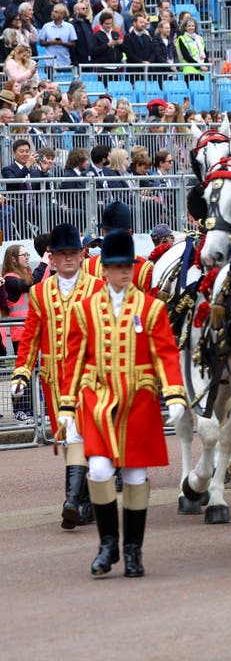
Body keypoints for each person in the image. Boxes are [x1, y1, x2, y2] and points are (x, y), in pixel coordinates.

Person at [60, 230, 186, 577]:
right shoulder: (85, 310)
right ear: (104, 270)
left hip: (139, 400)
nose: (124, 272)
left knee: (134, 474)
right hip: (99, 400)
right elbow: (74, 358)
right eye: (116, 267)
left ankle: (133, 550)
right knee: (99, 470)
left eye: (127, 265)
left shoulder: (151, 307)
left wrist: (174, 392)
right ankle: (107, 544)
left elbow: (165, 354)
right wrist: (68, 406)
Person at [10, 223, 104, 529]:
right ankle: (83, 501)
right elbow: (31, 336)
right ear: (51, 258)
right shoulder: (39, 292)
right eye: (61, 254)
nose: (67, 259)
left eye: (72, 254)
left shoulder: (97, 287)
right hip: (54, 379)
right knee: (68, 437)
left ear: (81, 256)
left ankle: (72, 501)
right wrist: (22, 370)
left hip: (89, 377)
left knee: (84, 435)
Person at [82, 201, 155, 291]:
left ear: (129, 234)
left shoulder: (145, 269)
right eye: (109, 232)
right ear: (103, 232)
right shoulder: (86, 266)